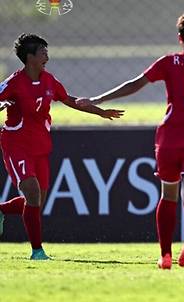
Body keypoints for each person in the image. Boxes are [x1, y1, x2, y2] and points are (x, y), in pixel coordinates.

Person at [77, 11, 184, 269]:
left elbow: (135, 84)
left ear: (180, 37)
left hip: (170, 137)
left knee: (168, 195)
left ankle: (165, 255)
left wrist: (97, 100)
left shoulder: (169, 62)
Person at [0, 33, 123, 260]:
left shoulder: (49, 80)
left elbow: (69, 100)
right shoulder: (14, 82)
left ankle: (2, 210)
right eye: (42, 52)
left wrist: (100, 111)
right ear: (30, 57)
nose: (47, 55)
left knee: (36, 202)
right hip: (16, 144)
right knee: (33, 194)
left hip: (40, 145)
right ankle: (37, 251)